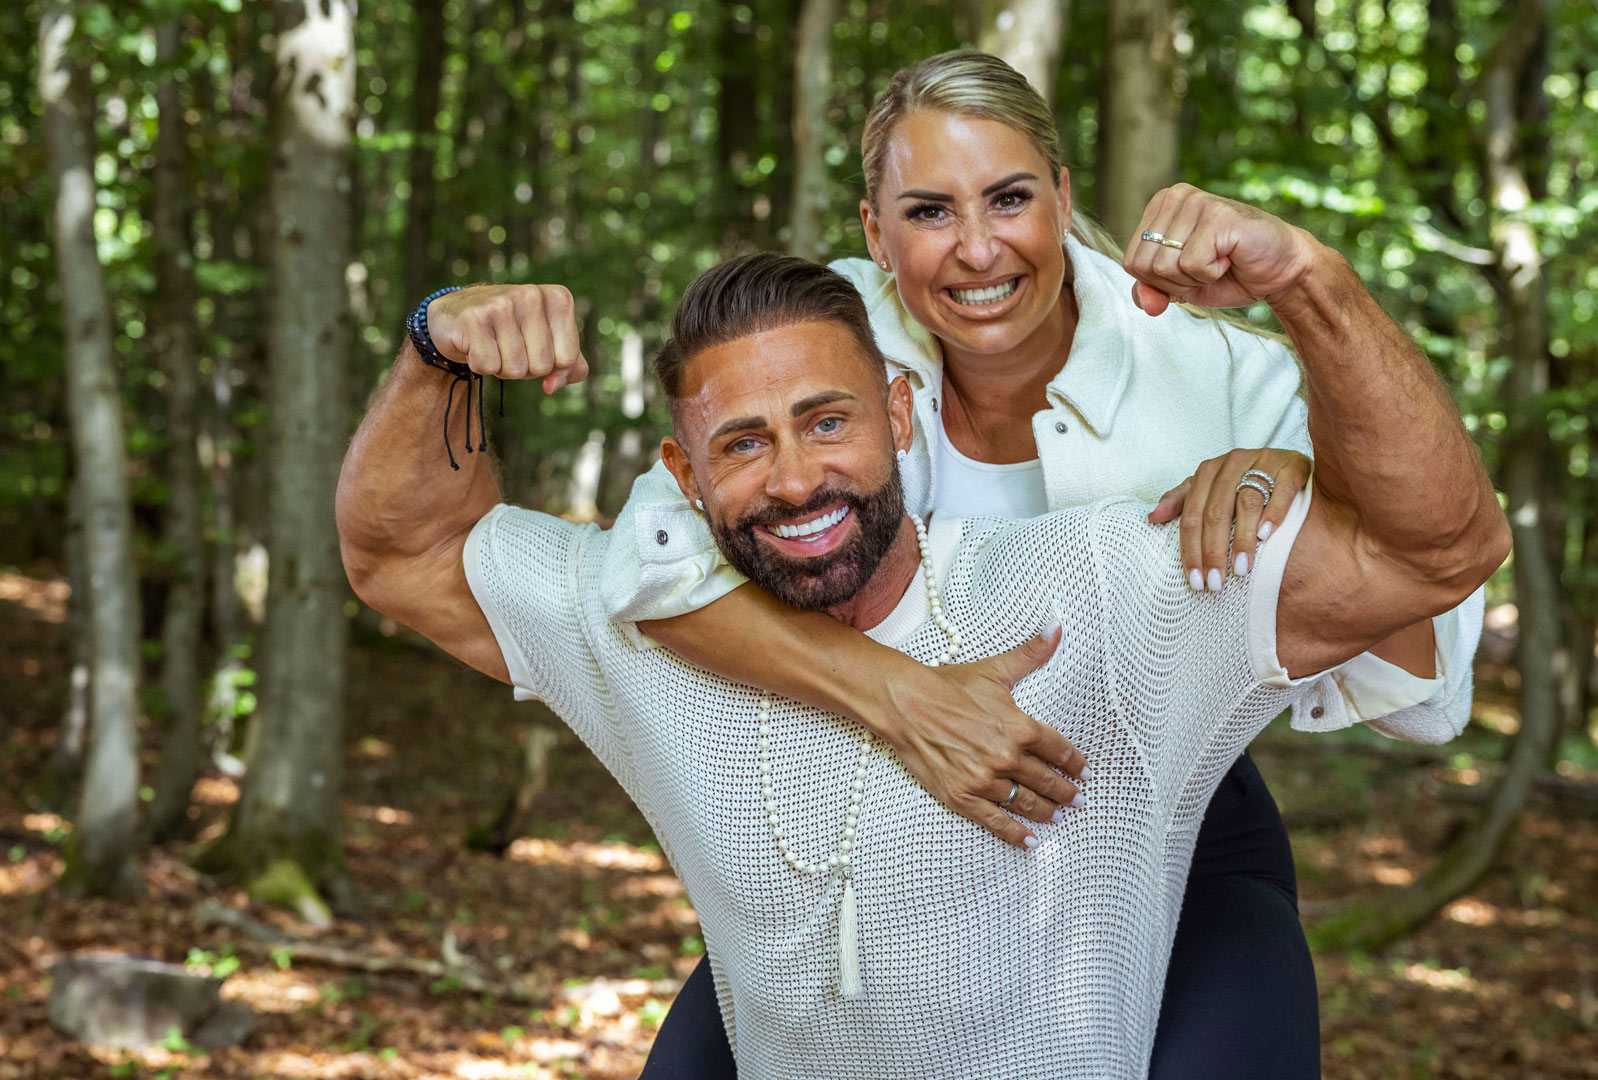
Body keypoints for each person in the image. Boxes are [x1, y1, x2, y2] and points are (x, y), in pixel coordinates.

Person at [335, 250, 1507, 1079]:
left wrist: (1316, 289)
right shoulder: (631, 629)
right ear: (681, 478)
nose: (795, 480)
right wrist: (436, 343)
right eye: (742, 444)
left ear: (902, 414)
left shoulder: (1101, 591)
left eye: (827, 419)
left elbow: (1436, 547)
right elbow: (403, 552)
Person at [582, 52, 1495, 1079]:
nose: (976, 250)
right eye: (928, 212)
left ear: (1061, 198)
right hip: (864, 812)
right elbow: (652, 564)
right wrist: (898, 696)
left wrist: (1314, 485)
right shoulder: (824, 341)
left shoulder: (1221, 372)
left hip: (1171, 829)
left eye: (1009, 198)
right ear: (875, 233)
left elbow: (1418, 658)